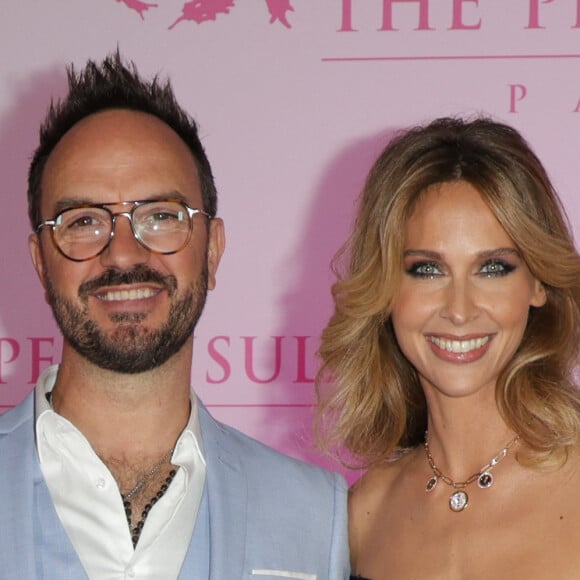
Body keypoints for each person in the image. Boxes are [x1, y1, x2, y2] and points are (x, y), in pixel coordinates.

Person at [0, 52, 349, 579]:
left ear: (211, 252)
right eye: (84, 221)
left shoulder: (316, 515)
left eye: (161, 216)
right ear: (40, 263)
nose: (121, 253)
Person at [316, 117, 580, 579]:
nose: (460, 310)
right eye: (427, 270)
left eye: (493, 268)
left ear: (538, 281)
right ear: (385, 287)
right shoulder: (362, 515)